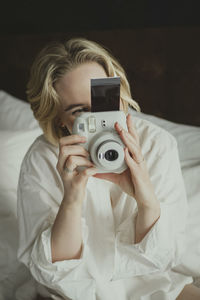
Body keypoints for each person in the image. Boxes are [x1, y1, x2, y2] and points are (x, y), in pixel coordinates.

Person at [17, 37, 199, 300]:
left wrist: (144, 196)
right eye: (80, 111)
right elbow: (55, 273)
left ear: (119, 94)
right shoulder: (42, 158)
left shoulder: (157, 144)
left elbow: (164, 255)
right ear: (60, 121)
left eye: (104, 102)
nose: (99, 120)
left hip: (154, 285)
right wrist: (72, 196)